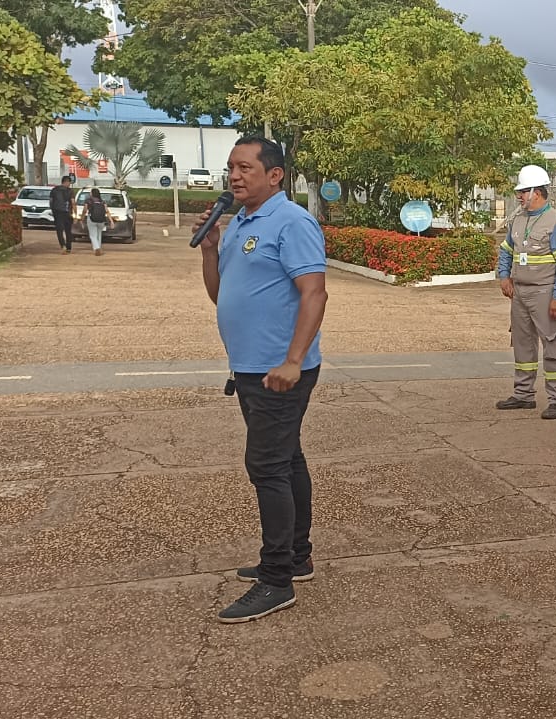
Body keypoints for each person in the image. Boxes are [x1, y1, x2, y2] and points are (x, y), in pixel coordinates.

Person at [192, 136, 329, 624]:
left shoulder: (291, 221)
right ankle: (297, 555)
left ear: (276, 175)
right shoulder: (237, 224)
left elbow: (314, 293)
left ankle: (277, 580)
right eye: (231, 167)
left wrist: (293, 360)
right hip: (249, 368)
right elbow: (221, 295)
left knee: (267, 466)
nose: (234, 176)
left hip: (280, 371)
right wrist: (210, 250)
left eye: (245, 167)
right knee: (286, 460)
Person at [496, 165, 556, 419]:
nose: (518, 196)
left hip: (545, 292)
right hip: (519, 293)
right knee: (522, 345)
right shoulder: (518, 219)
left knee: (553, 345)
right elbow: (506, 251)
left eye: (522, 192)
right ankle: (523, 394)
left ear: (536, 192)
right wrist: (504, 276)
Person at [50, 175, 75, 254]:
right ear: (67, 182)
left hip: (57, 212)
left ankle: (63, 245)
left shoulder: (54, 190)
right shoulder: (70, 191)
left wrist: (53, 210)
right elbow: (73, 202)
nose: (70, 184)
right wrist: (75, 213)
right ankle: (68, 247)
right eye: (69, 183)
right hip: (67, 213)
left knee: (59, 230)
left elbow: (51, 201)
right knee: (68, 230)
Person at [84, 187, 108, 256]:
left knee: (92, 235)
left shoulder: (88, 200)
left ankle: (97, 248)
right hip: (101, 220)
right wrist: (111, 220)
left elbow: (85, 210)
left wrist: (82, 217)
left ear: (92, 193)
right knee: (99, 234)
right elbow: (106, 210)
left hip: (92, 219)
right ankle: (99, 248)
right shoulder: (102, 201)